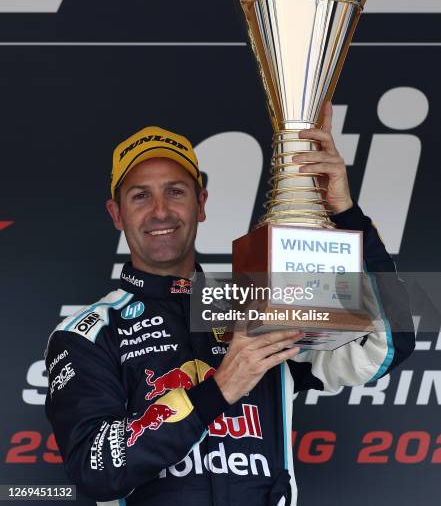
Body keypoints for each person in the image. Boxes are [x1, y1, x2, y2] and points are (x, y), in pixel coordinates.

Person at [45, 107, 415, 506]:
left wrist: (345, 214)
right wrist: (219, 390)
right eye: (140, 196)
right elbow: (96, 468)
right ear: (116, 214)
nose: (161, 211)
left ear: (201, 204)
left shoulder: (260, 305)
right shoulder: (87, 334)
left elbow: (389, 342)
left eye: (176, 191)